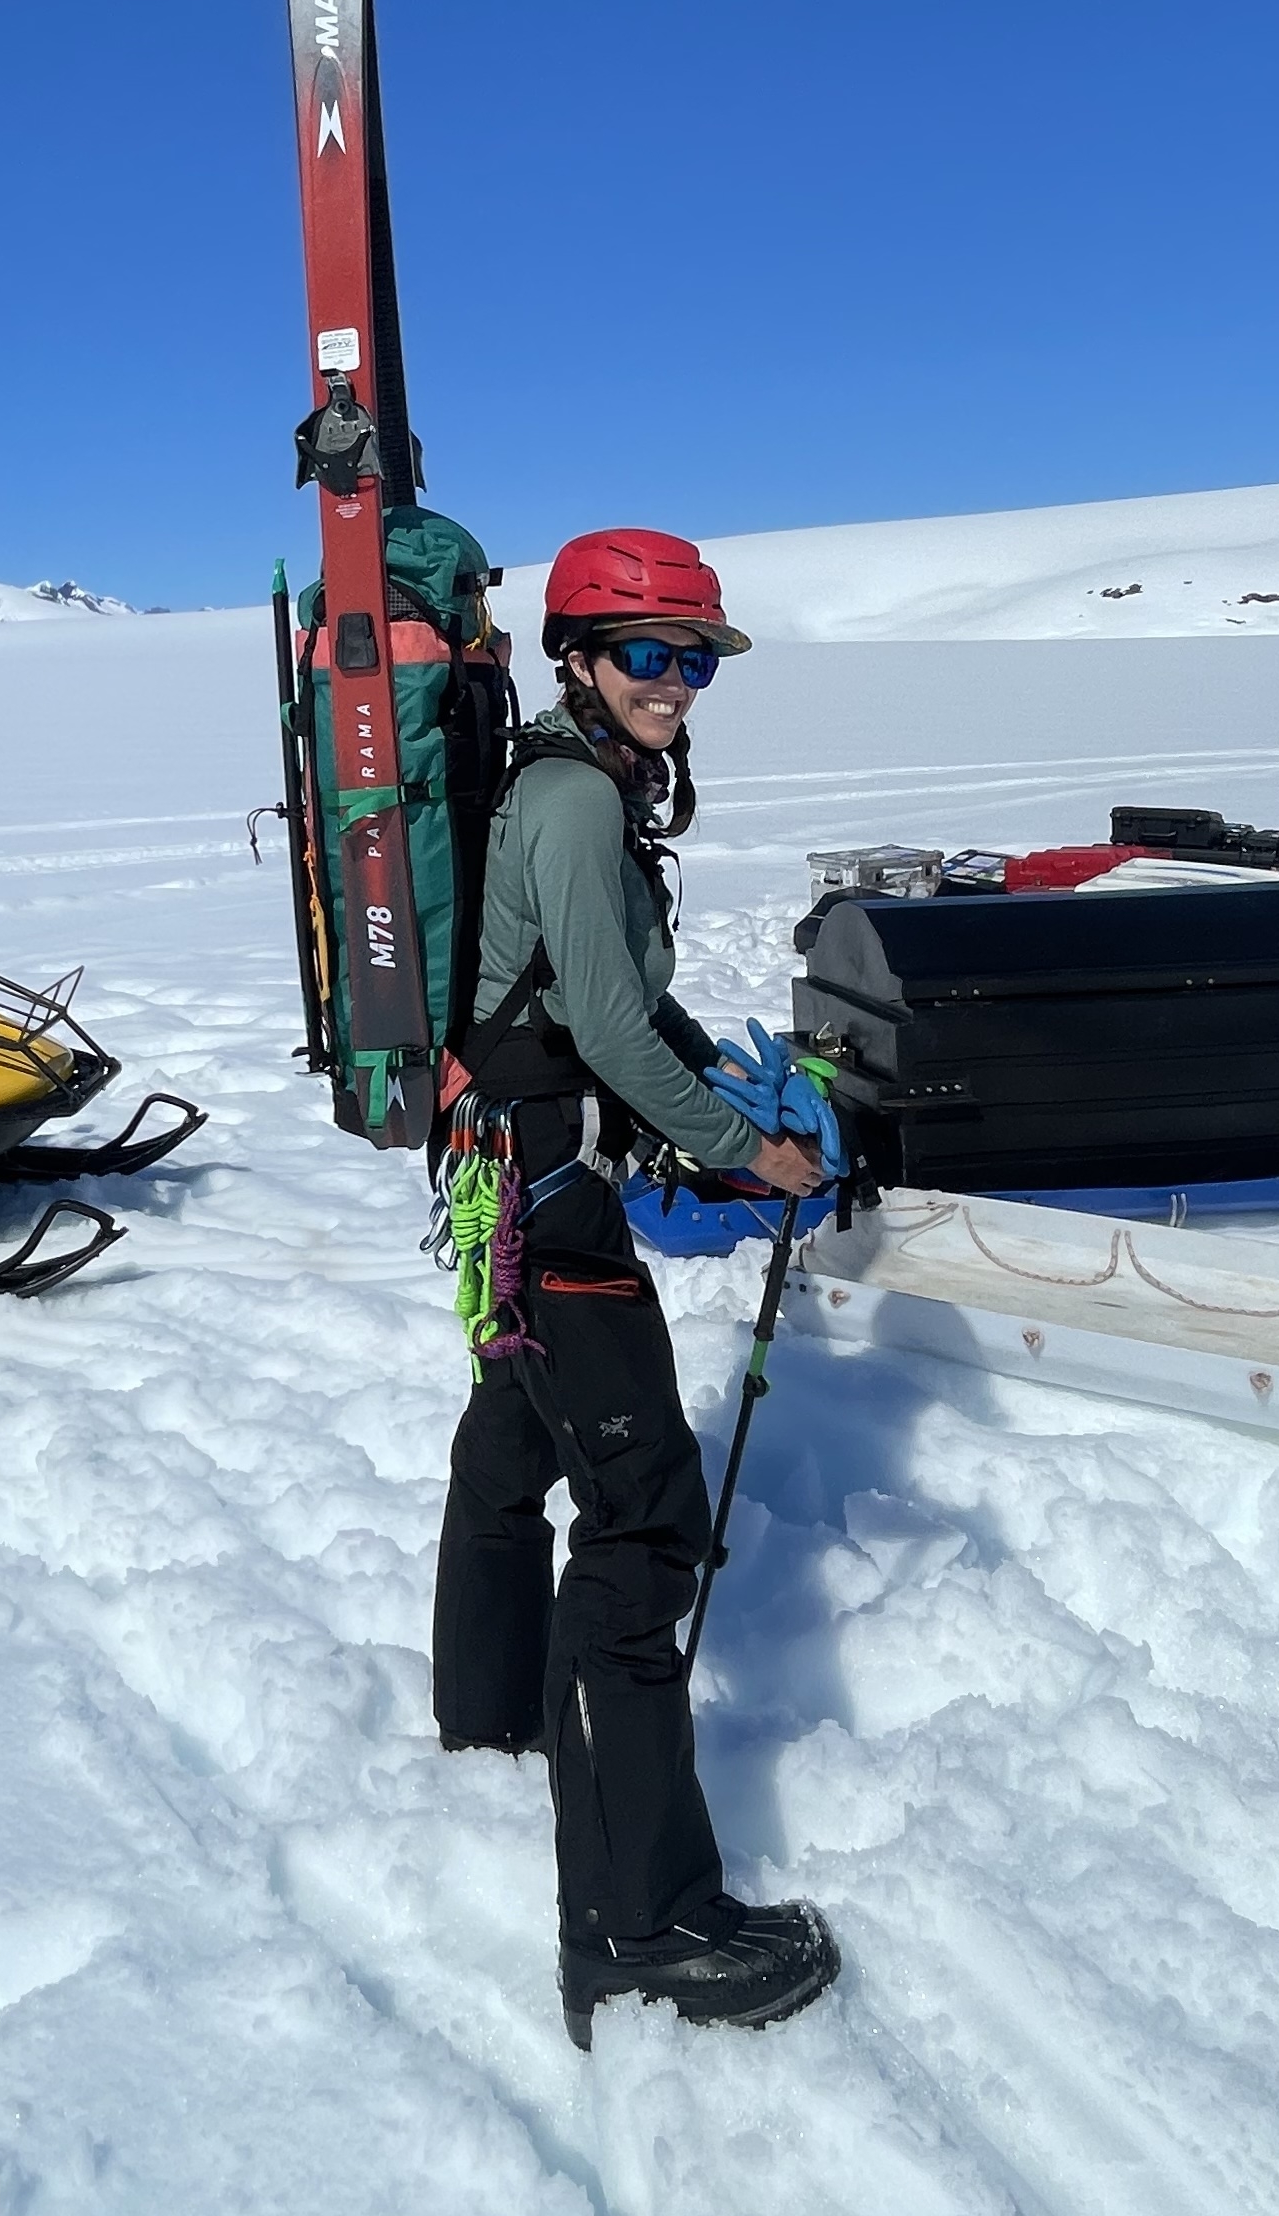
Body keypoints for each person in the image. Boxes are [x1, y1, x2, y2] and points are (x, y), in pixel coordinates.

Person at [430, 527, 842, 2050]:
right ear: (583, 662)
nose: (675, 685)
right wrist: (747, 1150)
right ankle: (638, 1922)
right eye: (650, 656)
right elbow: (602, 1024)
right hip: (550, 1193)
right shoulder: (569, 799)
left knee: (511, 1438)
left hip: (500, 1178)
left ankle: (487, 1723)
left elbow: (593, 997)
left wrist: (703, 1092)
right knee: (644, 1517)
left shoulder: (554, 784)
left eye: (693, 660)